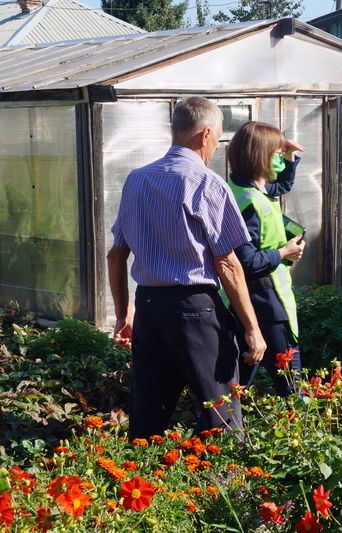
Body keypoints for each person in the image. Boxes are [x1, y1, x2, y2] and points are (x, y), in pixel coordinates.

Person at [107, 96, 266, 440]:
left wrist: (123, 315)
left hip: (149, 308)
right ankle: (220, 474)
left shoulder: (136, 180)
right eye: (218, 138)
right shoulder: (208, 183)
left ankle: (140, 472)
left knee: (147, 418)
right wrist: (252, 328)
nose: (216, 146)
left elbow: (115, 256)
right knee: (221, 414)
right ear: (205, 134)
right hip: (195, 309)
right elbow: (227, 263)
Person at [225, 121, 305, 395]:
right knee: (291, 384)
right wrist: (284, 252)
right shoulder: (251, 203)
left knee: (235, 385)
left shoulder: (239, 187)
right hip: (267, 302)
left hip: (242, 300)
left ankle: (221, 420)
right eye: (277, 154)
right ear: (260, 156)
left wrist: (290, 155)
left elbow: (282, 185)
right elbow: (246, 262)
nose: (280, 159)